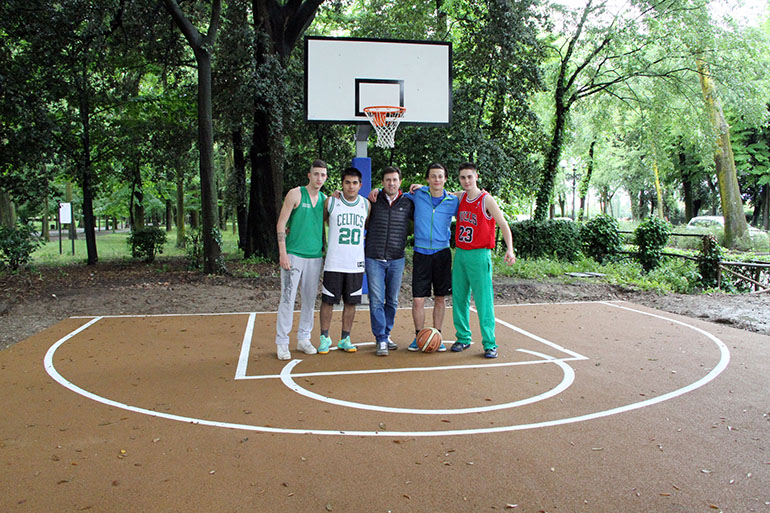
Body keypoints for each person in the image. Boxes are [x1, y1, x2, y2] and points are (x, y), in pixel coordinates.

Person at [450, 162, 516, 358]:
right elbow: (439, 193)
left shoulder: (486, 199)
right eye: (463, 177)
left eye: (469, 176)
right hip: (461, 253)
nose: (466, 181)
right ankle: (463, 337)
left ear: (476, 176)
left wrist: (510, 250)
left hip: (479, 255)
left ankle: (489, 343)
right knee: (459, 298)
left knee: (483, 300)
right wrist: (421, 188)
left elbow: (503, 224)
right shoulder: (460, 197)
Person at [274, 159, 328, 360]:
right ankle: (282, 342)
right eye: (316, 174)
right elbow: (281, 224)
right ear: (309, 175)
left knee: (309, 300)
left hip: (315, 257)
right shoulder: (295, 194)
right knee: (287, 299)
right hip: (294, 255)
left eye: (322, 175)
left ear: (326, 177)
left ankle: (304, 338)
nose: (319, 178)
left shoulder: (325, 200)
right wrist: (283, 253)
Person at [406, 163, 459, 351]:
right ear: (427, 179)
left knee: (440, 297)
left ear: (445, 179)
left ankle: (437, 334)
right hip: (421, 252)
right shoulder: (417, 195)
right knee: (418, 299)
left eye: (440, 176)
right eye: (433, 176)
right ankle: (418, 335)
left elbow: (469, 197)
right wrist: (376, 191)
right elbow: (393, 193)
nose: (437, 179)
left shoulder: (453, 201)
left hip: (442, 254)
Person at [318, 167, 370, 354]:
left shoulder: (365, 204)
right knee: (328, 301)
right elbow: (322, 222)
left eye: (354, 183)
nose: (351, 186)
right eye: (347, 182)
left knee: (351, 302)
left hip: (355, 263)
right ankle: (324, 337)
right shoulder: (331, 202)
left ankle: (345, 338)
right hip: (334, 262)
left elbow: (368, 227)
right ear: (342, 184)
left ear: (360, 185)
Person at [365, 166, 415, 356]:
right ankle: (381, 339)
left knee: (392, 301)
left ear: (400, 182)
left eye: (394, 180)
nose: (391, 183)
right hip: (374, 257)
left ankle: (386, 334)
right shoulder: (374, 200)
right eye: (387, 180)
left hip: (396, 258)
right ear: (382, 182)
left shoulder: (408, 202)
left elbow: (430, 203)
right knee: (376, 300)